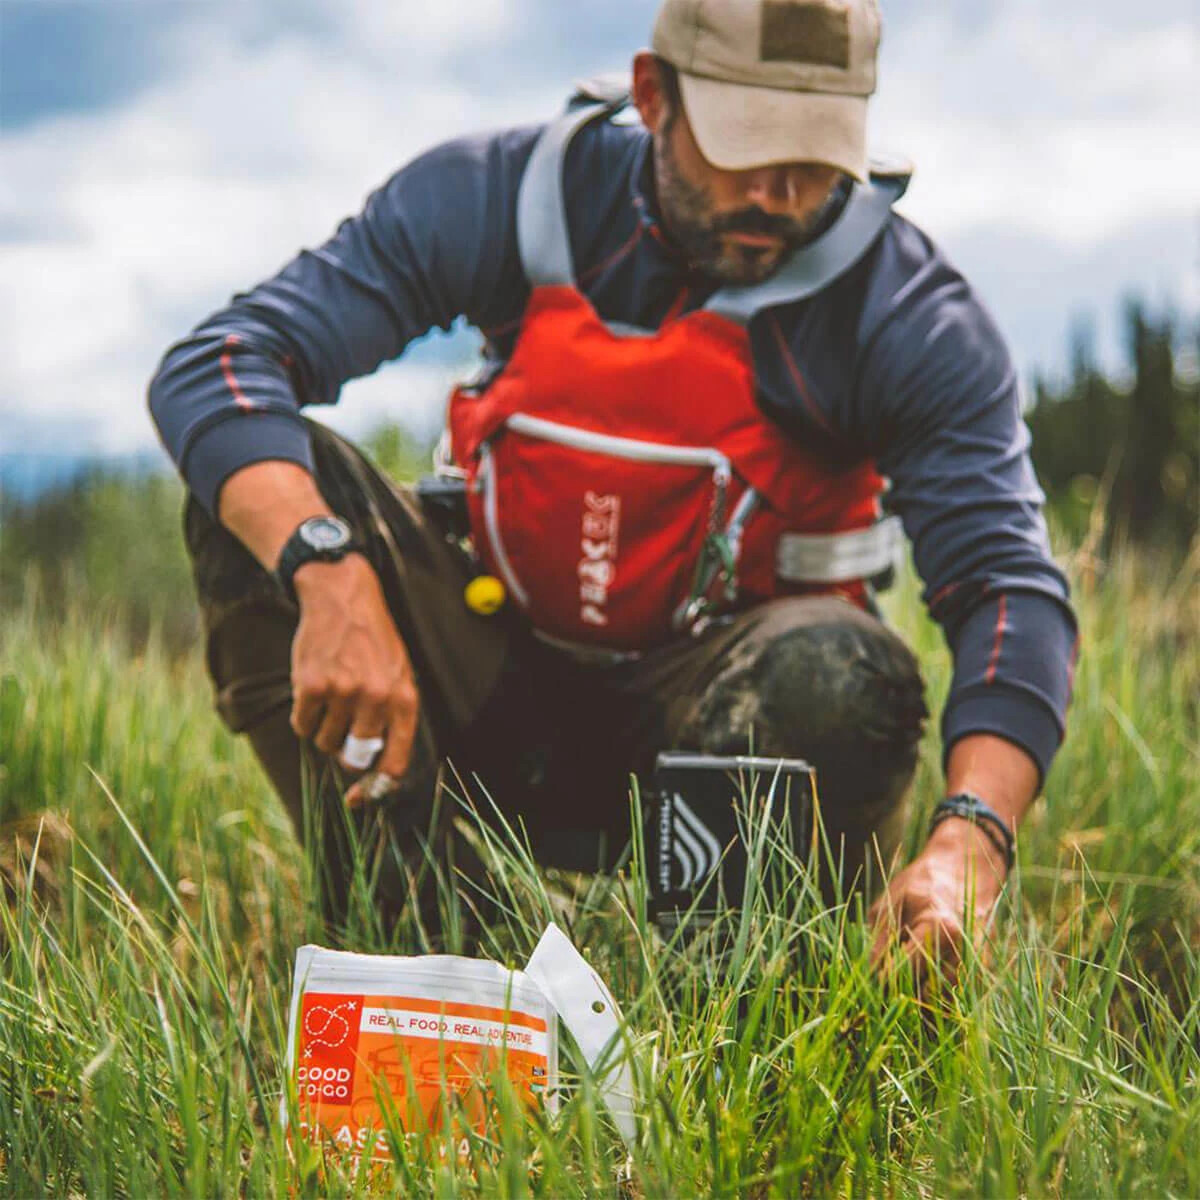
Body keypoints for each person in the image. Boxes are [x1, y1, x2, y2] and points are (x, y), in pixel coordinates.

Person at [148, 0, 1077, 976]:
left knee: (843, 672)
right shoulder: (501, 195)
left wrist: (970, 842)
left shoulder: (906, 312)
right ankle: (424, 945)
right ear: (654, 96)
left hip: (724, 723)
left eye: (816, 155)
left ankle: (733, 999)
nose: (780, 190)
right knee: (262, 502)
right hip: (491, 685)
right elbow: (220, 363)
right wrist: (325, 572)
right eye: (747, 146)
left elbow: (1010, 588)